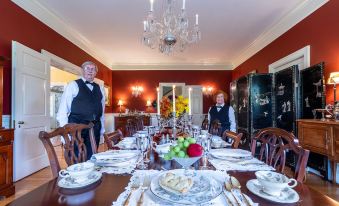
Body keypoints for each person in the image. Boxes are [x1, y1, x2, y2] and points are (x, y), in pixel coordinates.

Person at [57, 61, 105, 160]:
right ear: (82, 70)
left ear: (96, 72)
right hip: (76, 126)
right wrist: (64, 133)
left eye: (93, 69)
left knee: (93, 155)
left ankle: (91, 175)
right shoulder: (73, 85)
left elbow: (102, 111)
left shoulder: (99, 88)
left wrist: (102, 129)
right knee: (76, 154)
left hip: (95, 126)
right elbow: (63, 110)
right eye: (87, 68)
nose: (90, 71)